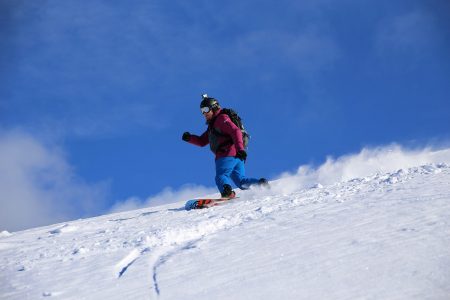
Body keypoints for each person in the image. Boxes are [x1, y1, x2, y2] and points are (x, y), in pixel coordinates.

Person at [182, 94, 268, 198]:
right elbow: (202, 141)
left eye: (205, 109)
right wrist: (189, 138)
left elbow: (235, 131)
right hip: (237, 155)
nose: (204, 113)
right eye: (201, 111)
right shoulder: (213, 126)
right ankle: (261, 185)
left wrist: (240, 148)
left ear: (213, 108)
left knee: (221, 176)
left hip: (227, 153)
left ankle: (227, 193)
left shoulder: (221, 119)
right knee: (241, 181)